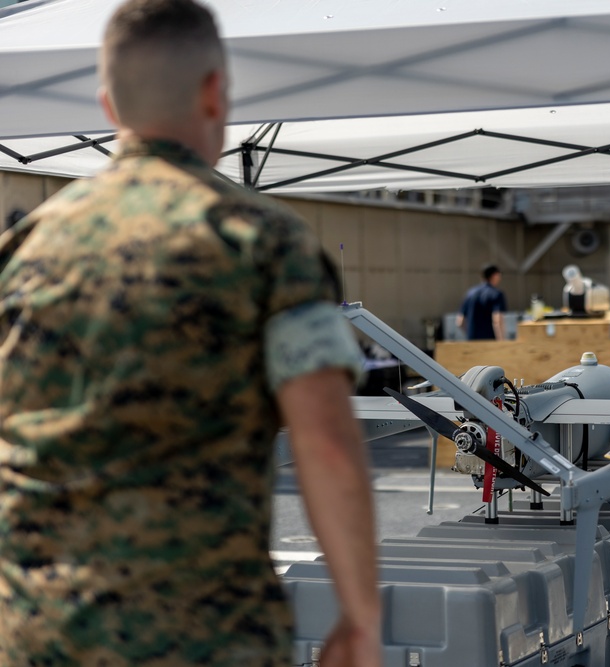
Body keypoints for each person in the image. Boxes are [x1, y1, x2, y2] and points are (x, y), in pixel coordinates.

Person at [0, 1, 382, 665]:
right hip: (202, 636)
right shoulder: (262, 240)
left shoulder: (26, 248)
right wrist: (361, 615)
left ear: (108, 106)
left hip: (36, 633)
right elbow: (327, 443)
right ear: (215, 92)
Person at [457, 264, 508, 340]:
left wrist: (471, 334)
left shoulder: (470, 293)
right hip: (489, 342)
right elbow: (497, 320)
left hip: (472, 341)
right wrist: (501, 341)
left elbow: (460, 322)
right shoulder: (496, 294)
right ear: (495, 275)